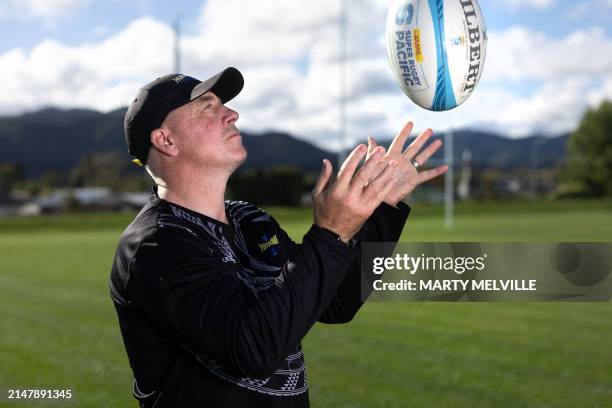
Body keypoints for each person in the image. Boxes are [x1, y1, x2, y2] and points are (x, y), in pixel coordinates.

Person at [110, 67, 447, 407]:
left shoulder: (249, 220)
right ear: (166, 140)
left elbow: (335, 302)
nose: (232, 114)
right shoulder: (155, 244)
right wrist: (331, 234)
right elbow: (252, 349)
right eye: (207, 108)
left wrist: (384, 207)